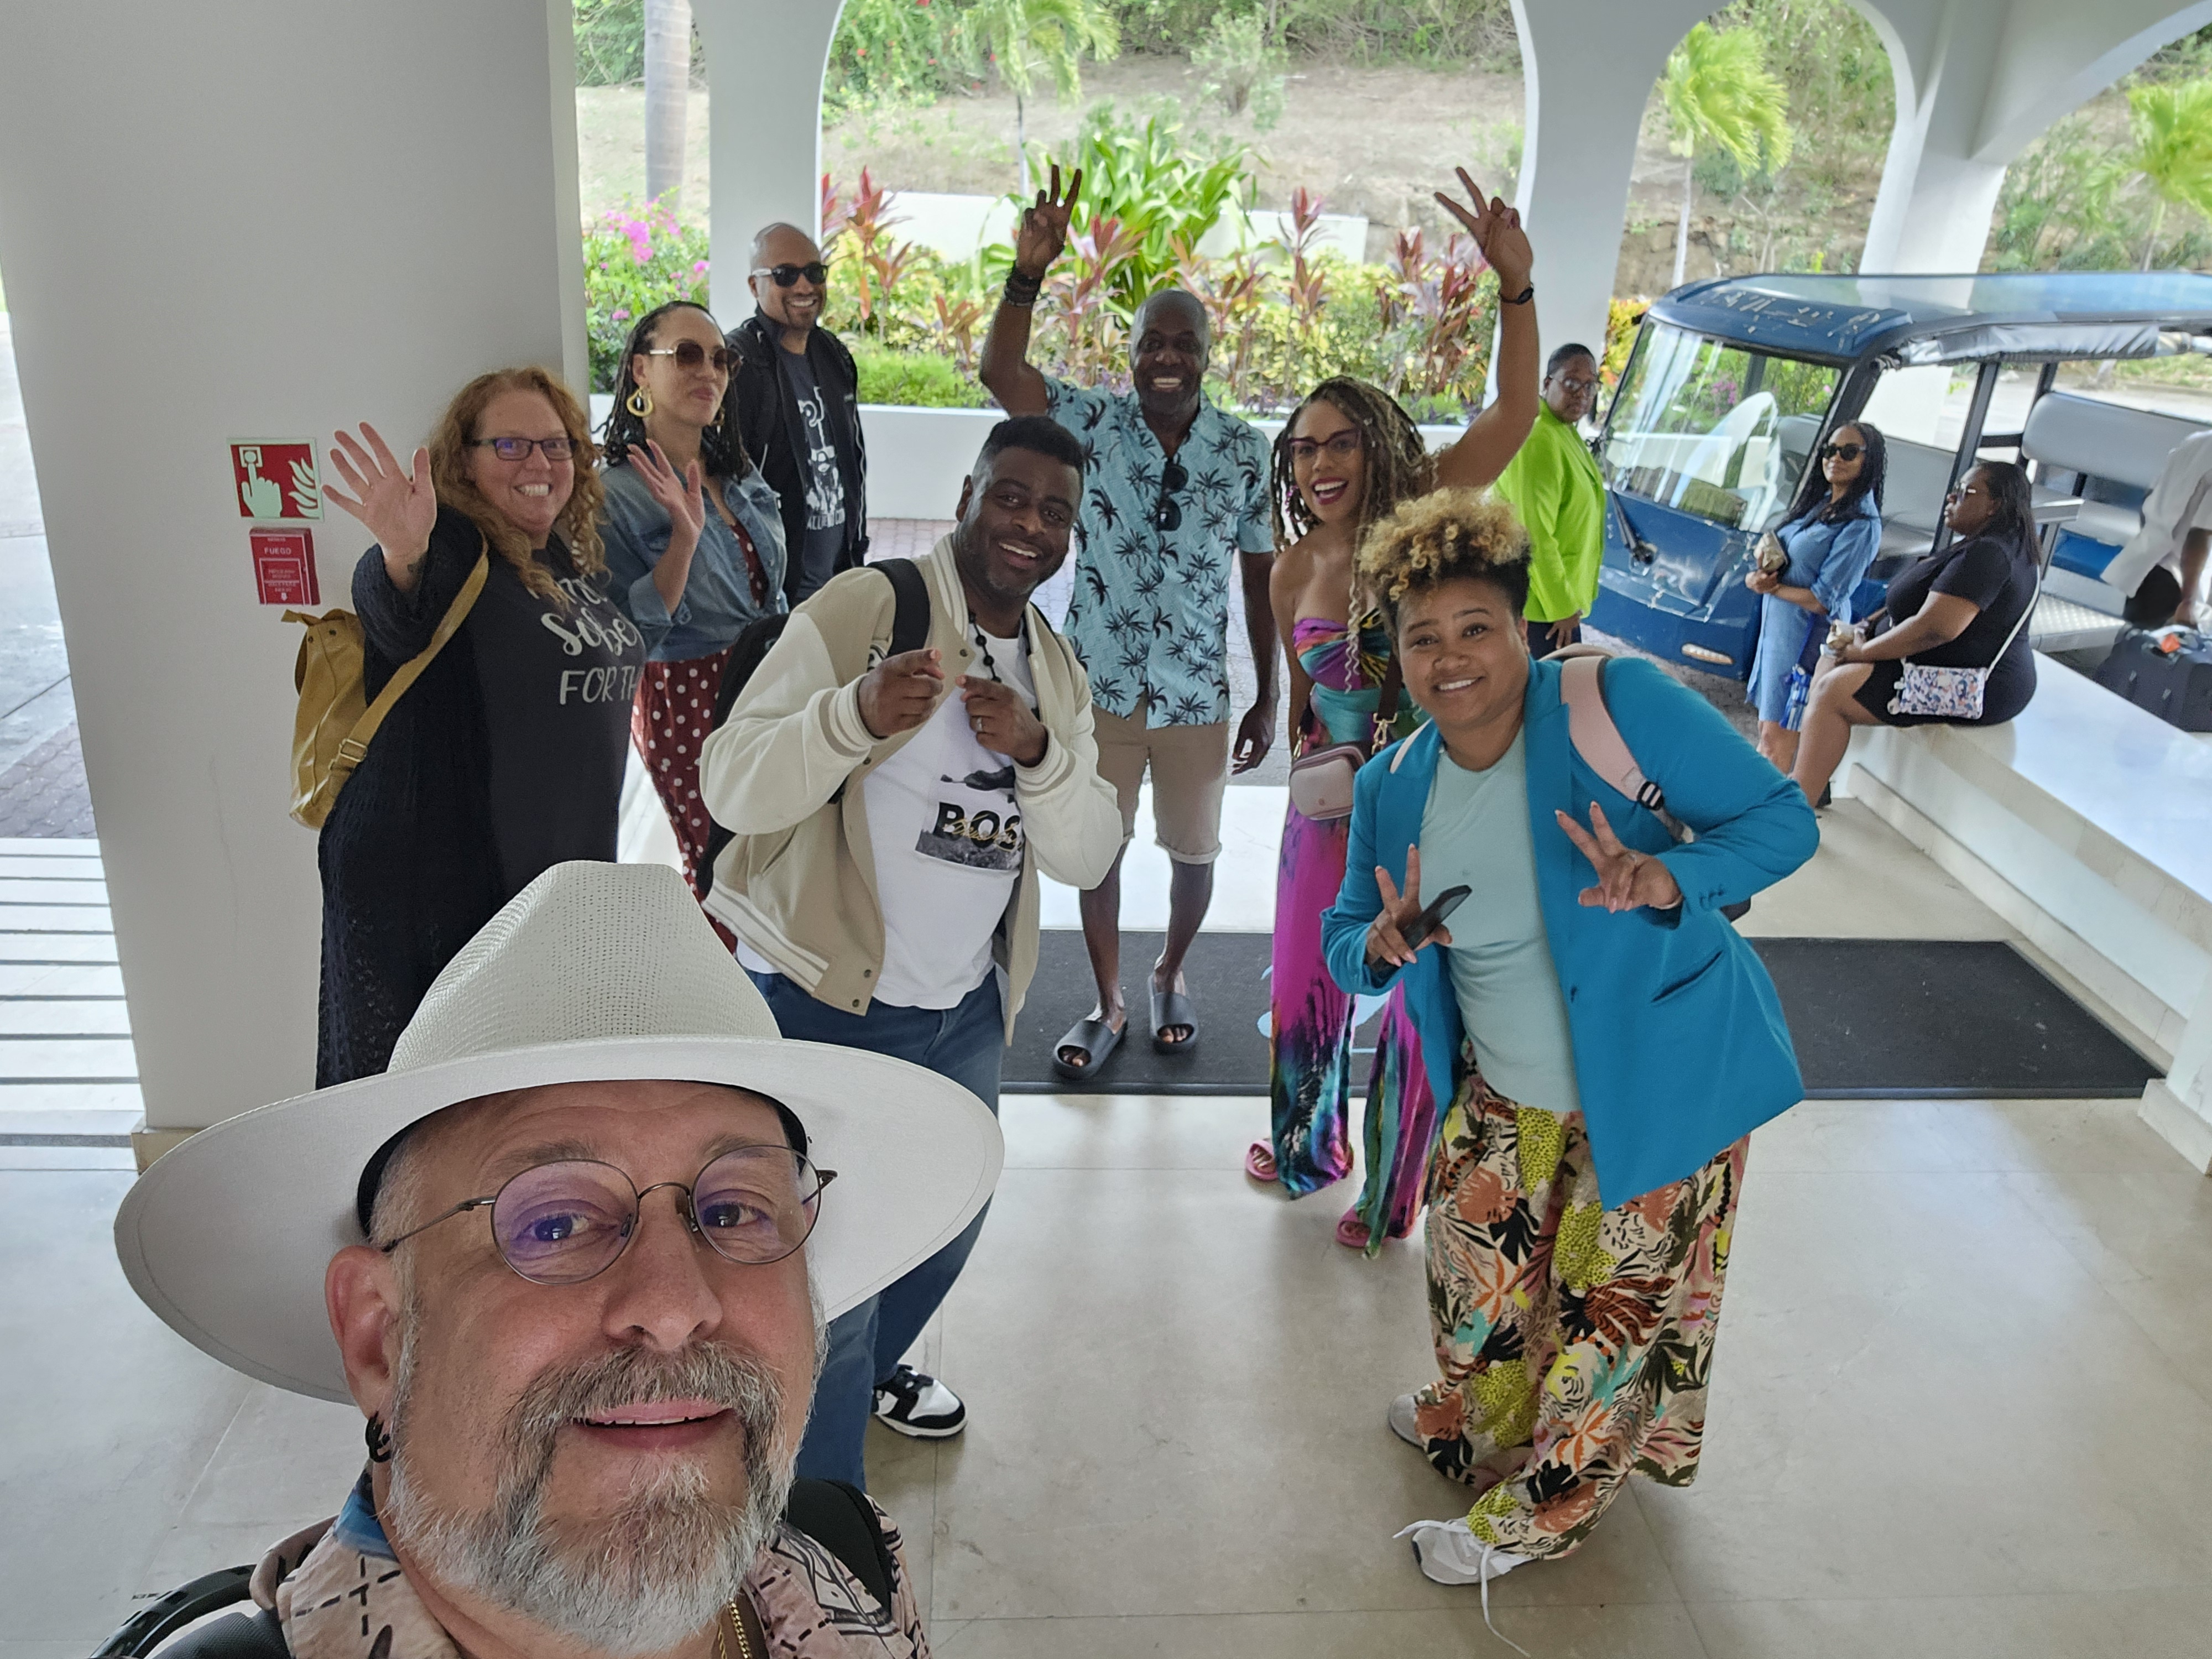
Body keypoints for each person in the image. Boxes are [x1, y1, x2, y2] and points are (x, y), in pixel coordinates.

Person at [117, 859, 1003, 1657]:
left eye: (733, 1209)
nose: (672, 1304)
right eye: (552, 1223)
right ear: (380, 1337)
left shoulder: (856, 1560)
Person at [1318, 491, 1815, 1590]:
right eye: (1421, 638)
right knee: (1474, 1289)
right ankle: (1474, 1426)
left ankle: (1538, 1515)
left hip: (1656, 1080)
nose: (1449, 659)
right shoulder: (1395, 785)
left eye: (1474, 628)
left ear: (1522, 629)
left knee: (1605, 1323)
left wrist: (1670, 875)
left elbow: (1783, 821)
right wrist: (1384, 948)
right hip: (1505, 1093)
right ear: (1395, 656)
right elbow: (1346, 938)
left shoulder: (1611, 703)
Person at [697, 415, 1121, 1486]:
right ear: (970, 492)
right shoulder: (869, 608)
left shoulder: (1055, 672)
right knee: (831, 1281)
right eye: (1012, 498)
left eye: (1055, 513)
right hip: (823, 1003)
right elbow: (729, 782)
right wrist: (848, 715)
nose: (1029, 528)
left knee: (946, 1221)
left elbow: (1091, 846)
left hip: (963, 1015)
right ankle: (821, 1552)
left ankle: (802, 1398)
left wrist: (1034, 751)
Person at [1253, 189, 1542, 1253]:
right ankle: (1306, 1144)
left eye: (1337, 442)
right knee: (1304, 982)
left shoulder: (1421, 520)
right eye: (1299, 450)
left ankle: (1392, 1194)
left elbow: (1514, 414)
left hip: (1428, 802)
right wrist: (1290, 763)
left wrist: (1515, 282)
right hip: (1325, 811)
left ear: (1377, 446)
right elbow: (1299, 693)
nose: (1317, 464)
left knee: (1418, 1008)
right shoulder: (1290, 568)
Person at [978, 165, 1277, 1070]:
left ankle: (1171, 971)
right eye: (1152, 341)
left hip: (1196, 696)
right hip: (1093, 685)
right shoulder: (1091, 426)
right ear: (1132, 350)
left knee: (1196, 854)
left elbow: (1259, 576)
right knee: (1096, 851)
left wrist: (1268, 695)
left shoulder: (1243, 450)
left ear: (1207, 355)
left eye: (1184, 342)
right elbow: (1001, 372)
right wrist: (1027, 273)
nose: (1167, 356)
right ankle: (1107, 1001)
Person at [316, 370, 646, 1087]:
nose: (539, 463)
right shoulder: (457, 550)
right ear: (462, 459)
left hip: (552, 881)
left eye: (556, 445)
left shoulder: (561, 558)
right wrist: (402, 552)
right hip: (441, 890)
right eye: (510, 444)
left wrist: (682, 541)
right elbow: (400, 610)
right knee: (436, 1108)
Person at [599, 300, 789, 895]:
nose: (708, 372)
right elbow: (630, 637)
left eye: (720, 359)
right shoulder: (615, 496)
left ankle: (764, 987)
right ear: (638, 371)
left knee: (782, 860)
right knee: (721, 871)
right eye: (685, 355)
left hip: (776, 679)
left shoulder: (736, 471)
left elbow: (773, 591)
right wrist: (683, 538)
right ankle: (718, 988)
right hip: (691, 696)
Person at [1791, 459, 2041, 809]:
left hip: (1973, 686)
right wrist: (1865, 629)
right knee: (1831, 658)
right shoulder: (1985, 542)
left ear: (1994, 505)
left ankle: (1794, 806)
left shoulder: (1990, 554)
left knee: (1835, 691)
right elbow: (1915, 596)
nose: (1951, 499)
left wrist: (1866, 652)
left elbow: (1936, 629)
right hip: (1934, 661)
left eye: (1964, 492)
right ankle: (1810, 779)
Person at [728, 223, 868, 606]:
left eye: (815, 273)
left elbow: (851, 464)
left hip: (837, 582)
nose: (804, 287)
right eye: (785, 275)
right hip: (773, 591)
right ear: (754, 286)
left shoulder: (834, 355)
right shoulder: (736, 363)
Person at [1742, 420, 1886, 773]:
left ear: (1870, 461)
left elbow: (1825, 599)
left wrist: (1774, 588)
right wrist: (1759, 577)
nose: (1835, 458)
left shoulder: (1862, 525)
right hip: (1778, 634)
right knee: (1769, 733)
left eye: (1849, 452)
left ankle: (1769, 822)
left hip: (1807, 638)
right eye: (1829, 450)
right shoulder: (1821, 506)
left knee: (1778, 745)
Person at [1491, 341, 1605, 655]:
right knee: (1551, 698)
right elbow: (1535, 533)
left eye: (1590, 385)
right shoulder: (1539, 437)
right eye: (1571, 383)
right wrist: (1562, 607)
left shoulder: (1563, 431)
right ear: (1547, 384)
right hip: (1543, 609)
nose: (1582, 393)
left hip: (1555, 604)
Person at [2101, 424, 2212, 627]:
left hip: (2147, 565)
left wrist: (2155, 538)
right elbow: (2198, 537)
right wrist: (2188, 601)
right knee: (2166, 652)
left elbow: (2150, 496)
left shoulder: (2196, 440)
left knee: (2134, 646)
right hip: (2178, 582)